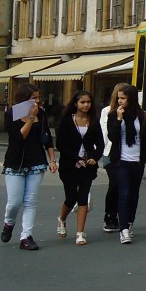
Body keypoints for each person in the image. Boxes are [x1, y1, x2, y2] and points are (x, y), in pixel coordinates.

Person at [0, 84, 56, 251]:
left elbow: (47, 138)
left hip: (36, 161)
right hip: (15, 162)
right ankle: (9, 223)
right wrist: (31, 118)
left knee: (30, 201)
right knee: (14, 202)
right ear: (24, 99)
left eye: (39, 97)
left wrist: (52, 159)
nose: (37, 101)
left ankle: (26, 236)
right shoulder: (12, 114)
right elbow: (19, 137)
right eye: (34, 98)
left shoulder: (42, 114)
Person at [105, 84, 146, 244]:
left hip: (137, 161)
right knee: (124, 193)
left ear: (131, 99)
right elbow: (112, 137)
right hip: (121, 161)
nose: (119, 101)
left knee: (134, 195)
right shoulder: (113, 115)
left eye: (123, 98)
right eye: (118, 98)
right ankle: (123, 229)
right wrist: (119, 119)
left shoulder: (143, 116)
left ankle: (129, 222)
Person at [55, 90, 105, 246]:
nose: (86, 105)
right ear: (76, 103)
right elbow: (61, 145)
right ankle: (62, 219)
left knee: (83, 198)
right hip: (69, 165)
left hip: (87, 167)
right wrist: (76, 158)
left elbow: (101, 145)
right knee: (71, 197)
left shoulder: (93, 121)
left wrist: (94, 157)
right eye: (82, 102)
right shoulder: (66, 121)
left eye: (88, 102)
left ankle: (80, 233)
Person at [99, 83, 126, 233]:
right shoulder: (107, 111)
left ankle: (123, 217)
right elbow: (104, 132)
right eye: (119, 97)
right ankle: (110, 216)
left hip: (127, 154)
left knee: (124, 186)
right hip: (109, 152)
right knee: (114, 183)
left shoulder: (134, 112)